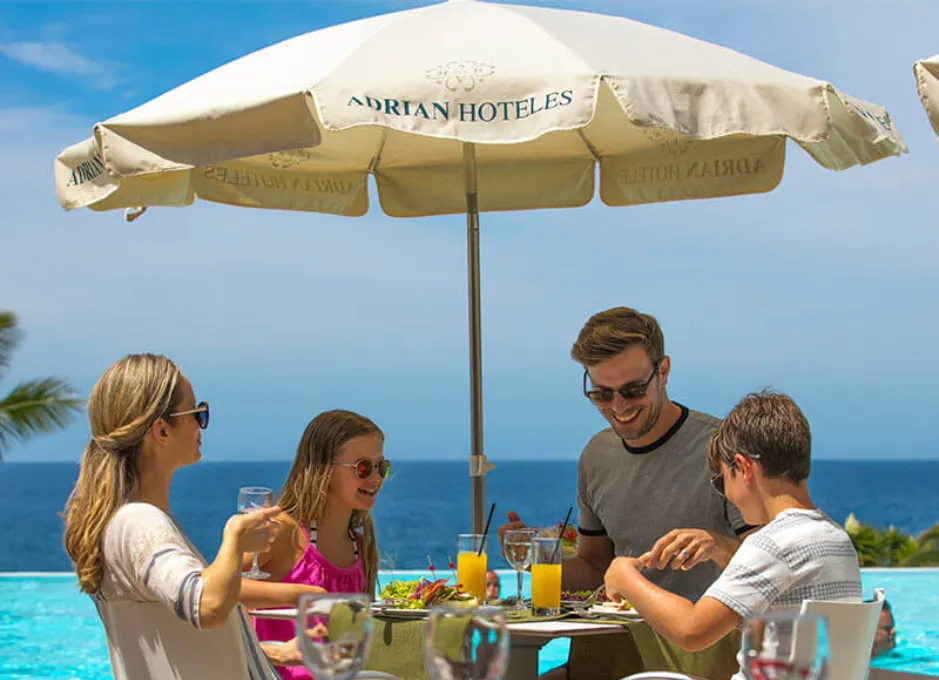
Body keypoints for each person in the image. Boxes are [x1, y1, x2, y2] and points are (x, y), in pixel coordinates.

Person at [62, 353, 302, 680]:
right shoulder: (140, 523)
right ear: (161, 431)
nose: (202, 423)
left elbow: (173, 640)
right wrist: (235, 539)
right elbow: (208, 607)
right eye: (196, 413)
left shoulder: (123, 523)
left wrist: (275, 652)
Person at [499, 306, 752, 602]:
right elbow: (596, 569)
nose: (619, 407)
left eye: (633, 390)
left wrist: (716, 546)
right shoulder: (596, 456)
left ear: (663, 372)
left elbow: (772, 566)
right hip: (618, 629)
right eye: (602, 394)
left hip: (707, 631)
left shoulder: (724, 447)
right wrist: (534, 558)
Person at [604, 390, 861, 678]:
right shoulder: (837, 540)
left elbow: (692, 631)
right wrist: (719, 548)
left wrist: (625, 578)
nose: (725, 493)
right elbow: (777, 592)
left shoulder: (772, 543)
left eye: (720, 480)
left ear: (743, 467)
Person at [247, 409, 386, 680]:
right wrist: (298, 595)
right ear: (323, 468)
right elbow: (215, 591)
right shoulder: (282, 533)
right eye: (363, 468)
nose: (376, 478)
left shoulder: (359, 547)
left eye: (381, 467)